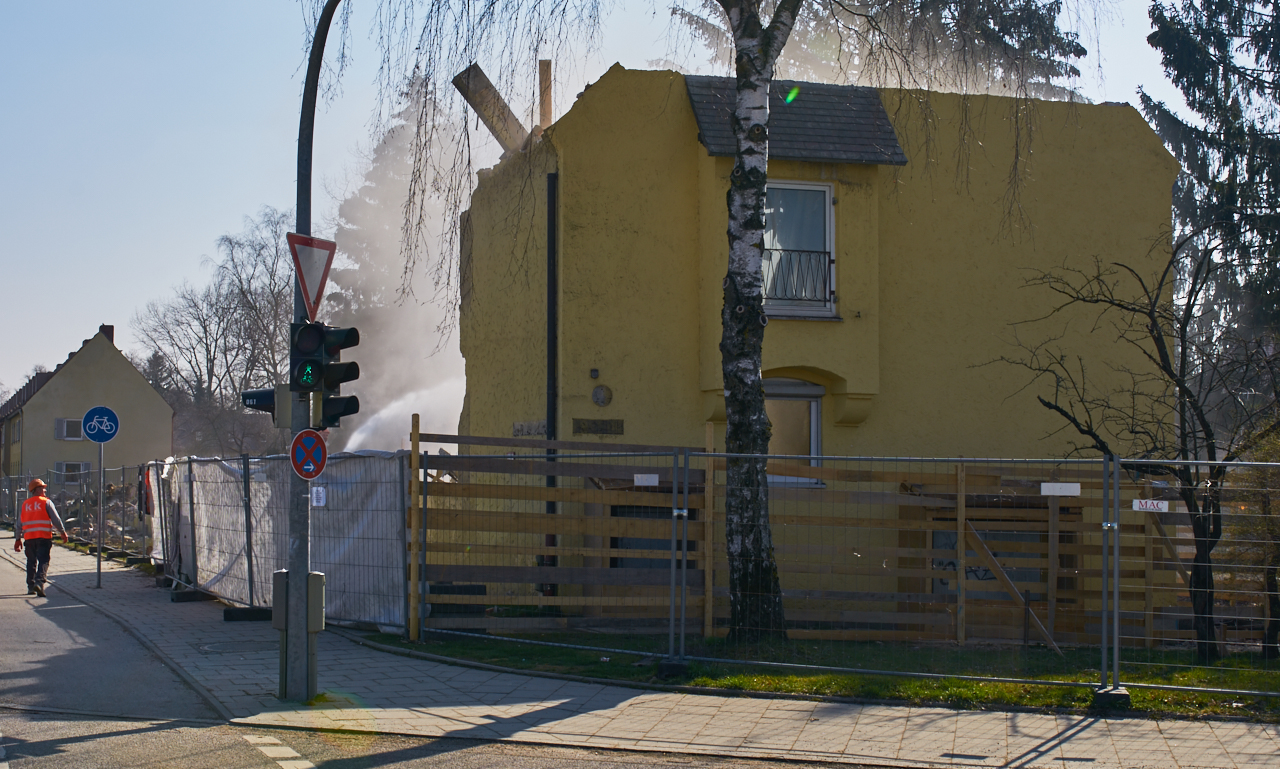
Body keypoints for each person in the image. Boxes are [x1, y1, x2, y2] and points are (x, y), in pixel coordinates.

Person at [14, 479, 68, 597]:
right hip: (43, 538)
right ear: (37, 490)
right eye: (43, 488)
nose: (45, 490)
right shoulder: (46, 502)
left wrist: (17, 539)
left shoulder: (25, 504)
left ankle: (30, 587)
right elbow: (56, 520)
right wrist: (62, 532)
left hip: (29, 539)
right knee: (44, 560)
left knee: (31, 562)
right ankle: (39, 582)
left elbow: (19, 523)